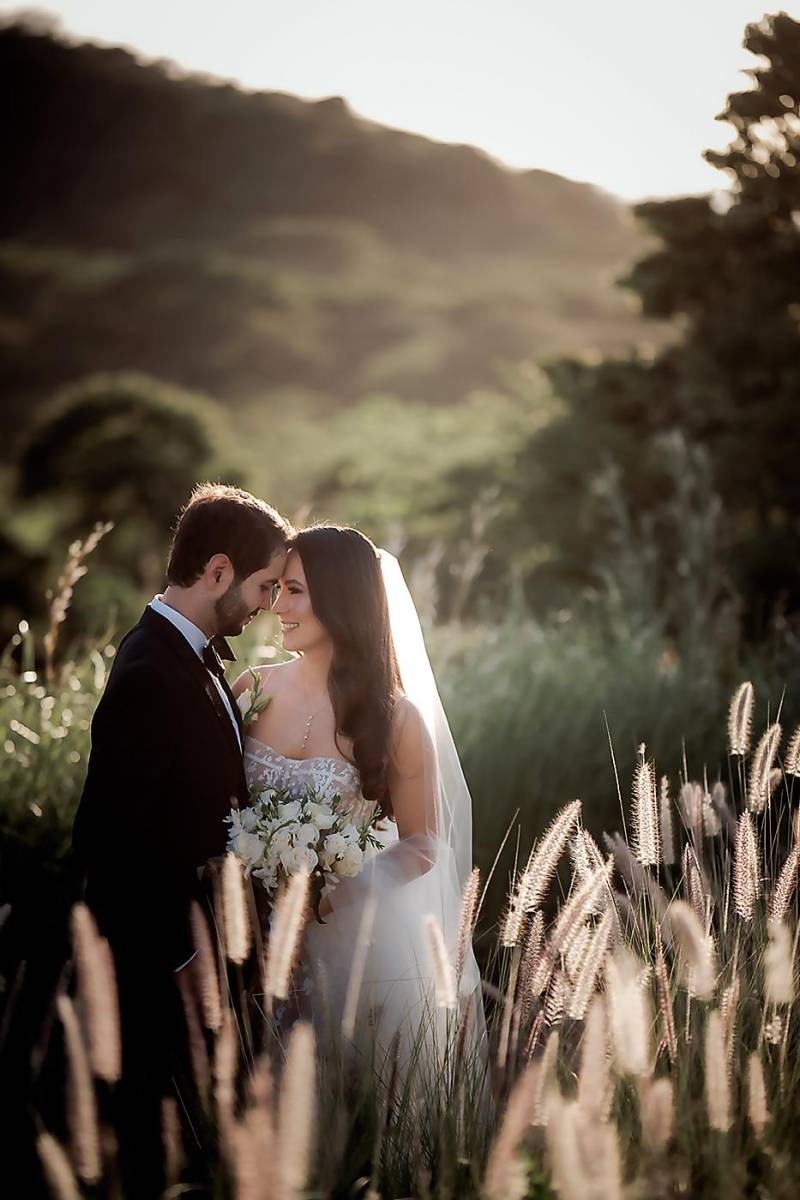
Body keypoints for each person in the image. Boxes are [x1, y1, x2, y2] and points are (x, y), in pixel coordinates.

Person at [72, 482, 291, 1196]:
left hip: (205, 956)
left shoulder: (187, 655)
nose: (265, 604)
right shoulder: (149, 670)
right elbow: (112, 840)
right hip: (163, 969)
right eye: (262, 585)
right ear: (219, 571)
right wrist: (184, 955)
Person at [233, 524, 486, 1088]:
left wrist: (332, 893)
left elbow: (424, 843)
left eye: (294, 590)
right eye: (277, 589)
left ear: (340, 598)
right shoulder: (252, 690)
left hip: (352, 945)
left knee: (351, 1106)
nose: (278, 606)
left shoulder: (396, 720)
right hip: (250, 935)